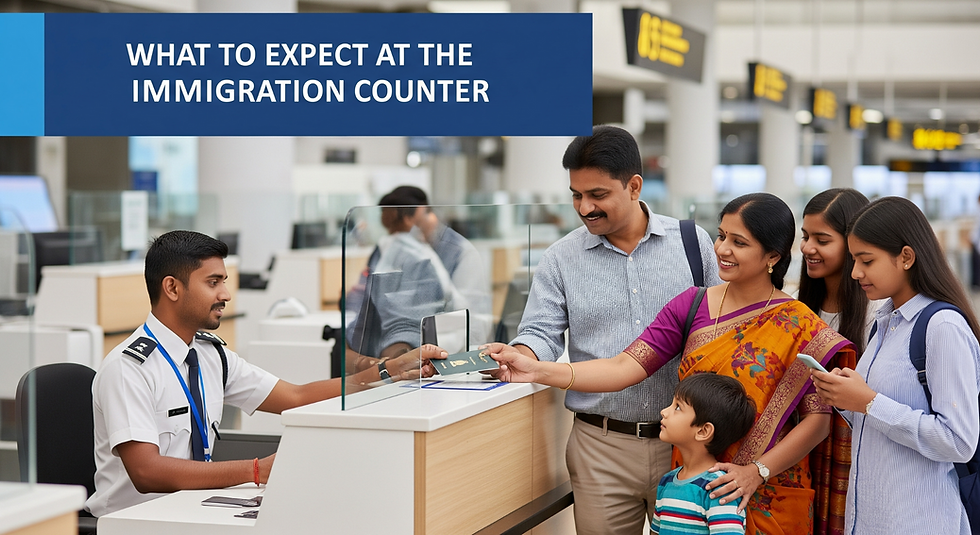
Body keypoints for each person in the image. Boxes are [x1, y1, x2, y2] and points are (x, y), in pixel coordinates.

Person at [490, 192, 856, 535]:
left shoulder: (800, 324)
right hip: (692, 485)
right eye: (722, 235)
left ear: (773, 256)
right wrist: (537, 370)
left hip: (770, 488)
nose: (723, 250)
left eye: (739, 243)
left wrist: (754, 472)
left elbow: (818, 422)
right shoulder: (693, 305)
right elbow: (623, 368)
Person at [86, 230, 446, 517]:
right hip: (138, 522)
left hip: (191, 509)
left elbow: (296, 396)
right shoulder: (129, 367)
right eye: (213, 282)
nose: (226, 293)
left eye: (224, 281)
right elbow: (147, 472)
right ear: (172, 288)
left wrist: (389, 372)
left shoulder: (210, 355)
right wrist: (256, 471)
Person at [489, 125, 721, 535]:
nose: (584, 208)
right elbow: (541, 331)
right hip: (601, 447)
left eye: (598, 195)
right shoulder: (562, 257)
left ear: (634, 186)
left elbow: (725, 324)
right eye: (577, 195)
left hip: (690, 446)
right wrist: (520, 354)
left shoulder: (692, 242)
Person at [810, 196, 980, 535]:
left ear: (905, 257)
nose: (856, 272)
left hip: (918, 521)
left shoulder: (942, 326)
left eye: (866, 260)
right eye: (854, 259)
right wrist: (846, 398)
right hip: (871, 518)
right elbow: (879, 426)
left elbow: (958, 441)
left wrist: (869, 402)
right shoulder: (885, 323)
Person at [797, 188, 875, 532]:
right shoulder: (796, 305)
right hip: (800, 456)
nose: (807, 248)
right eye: (805, 236)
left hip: (857, 459)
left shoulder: (877, 315)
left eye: (821, 239)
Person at [651, 373, 756, 535]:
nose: (664, 411)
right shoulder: (666, 482)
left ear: (703, 431)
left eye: (677, 407)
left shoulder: (720, 488)